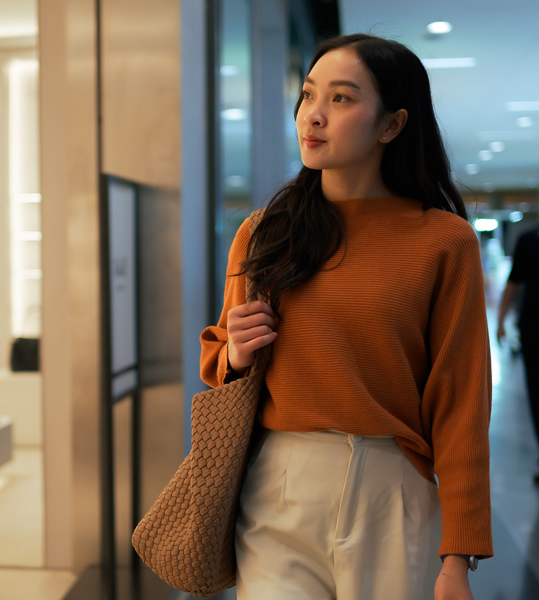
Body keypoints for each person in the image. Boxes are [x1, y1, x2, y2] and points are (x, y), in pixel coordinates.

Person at [200, 34, 492, 600]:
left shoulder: (444, 241)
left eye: (341, 99)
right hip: (277, 488)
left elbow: (461, 400)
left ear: (391, 125)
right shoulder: (265, 233)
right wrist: (235, 352)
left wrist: (458, 556)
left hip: (393, 489)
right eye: (309, 95)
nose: (313, 115)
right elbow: (220, 366)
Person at [497, 226, 539, 481]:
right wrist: (500, 320)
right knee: (536, 394)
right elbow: (512, 283)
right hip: (534, 329)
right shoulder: (529, 240)